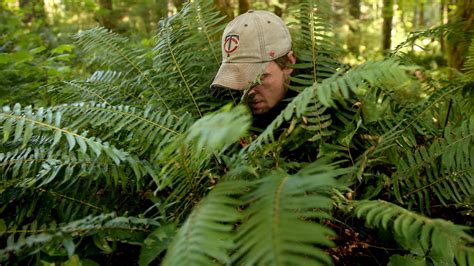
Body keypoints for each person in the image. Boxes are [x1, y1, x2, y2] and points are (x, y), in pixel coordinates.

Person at [211, 10, 296, 129]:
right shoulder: (220, 101)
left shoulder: (321, 110)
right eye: (238, 78)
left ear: (289, 65)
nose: (248, 92)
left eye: (259, 79)